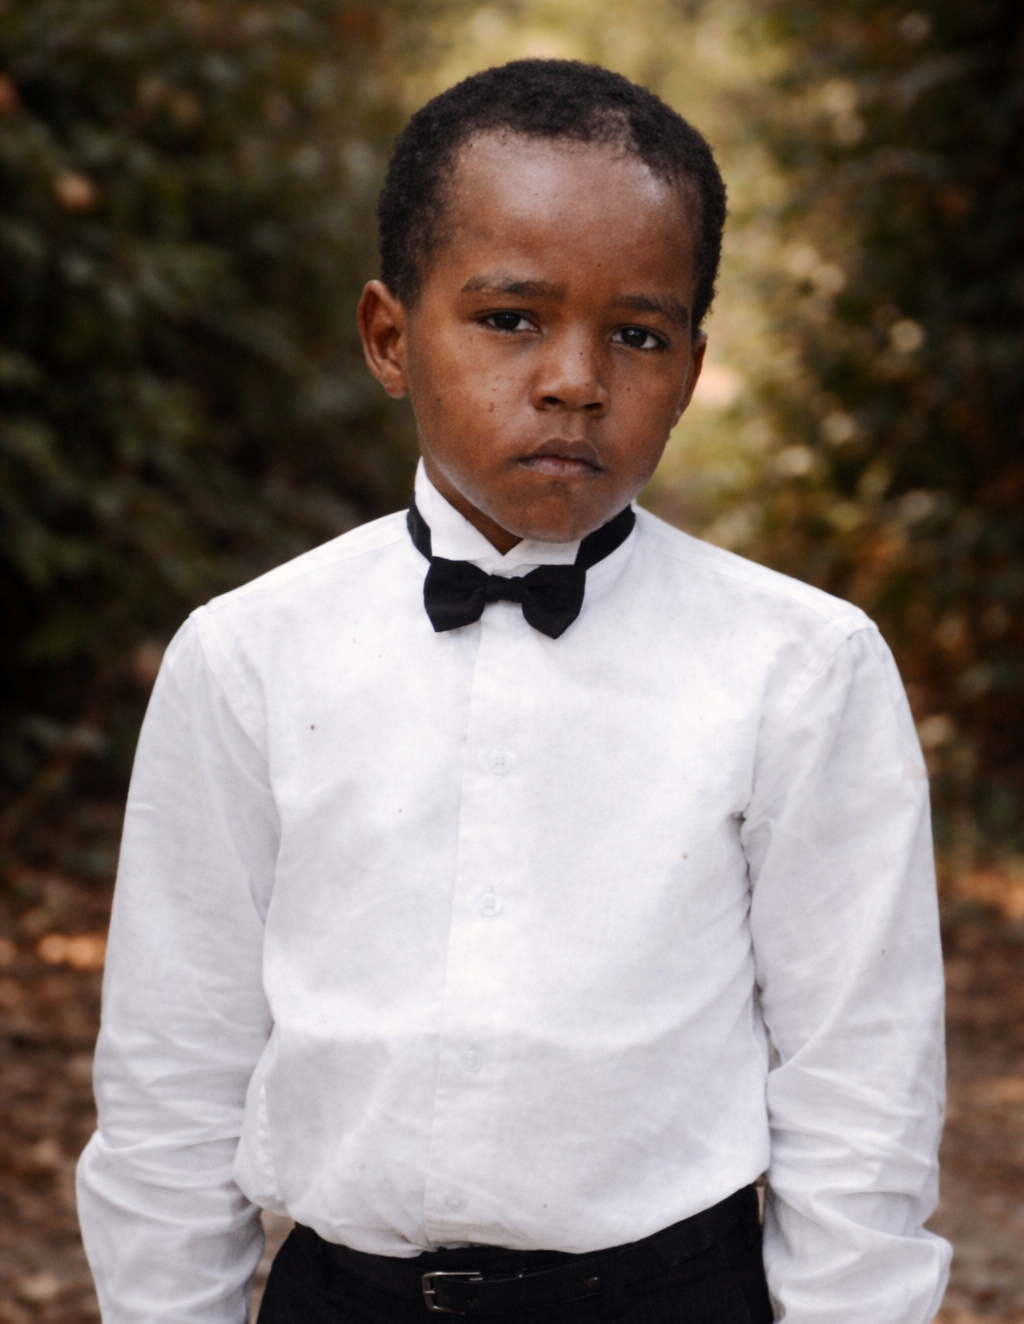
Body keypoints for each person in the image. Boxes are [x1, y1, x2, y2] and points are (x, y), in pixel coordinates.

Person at [77, 59, 951, 1324]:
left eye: (637, 335)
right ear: (390, 337)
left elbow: (859, 1087)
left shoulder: (803, 667)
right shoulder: (247, 655)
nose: (575, 379)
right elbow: (175, 1070)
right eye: (509, 319)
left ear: (690, 370)